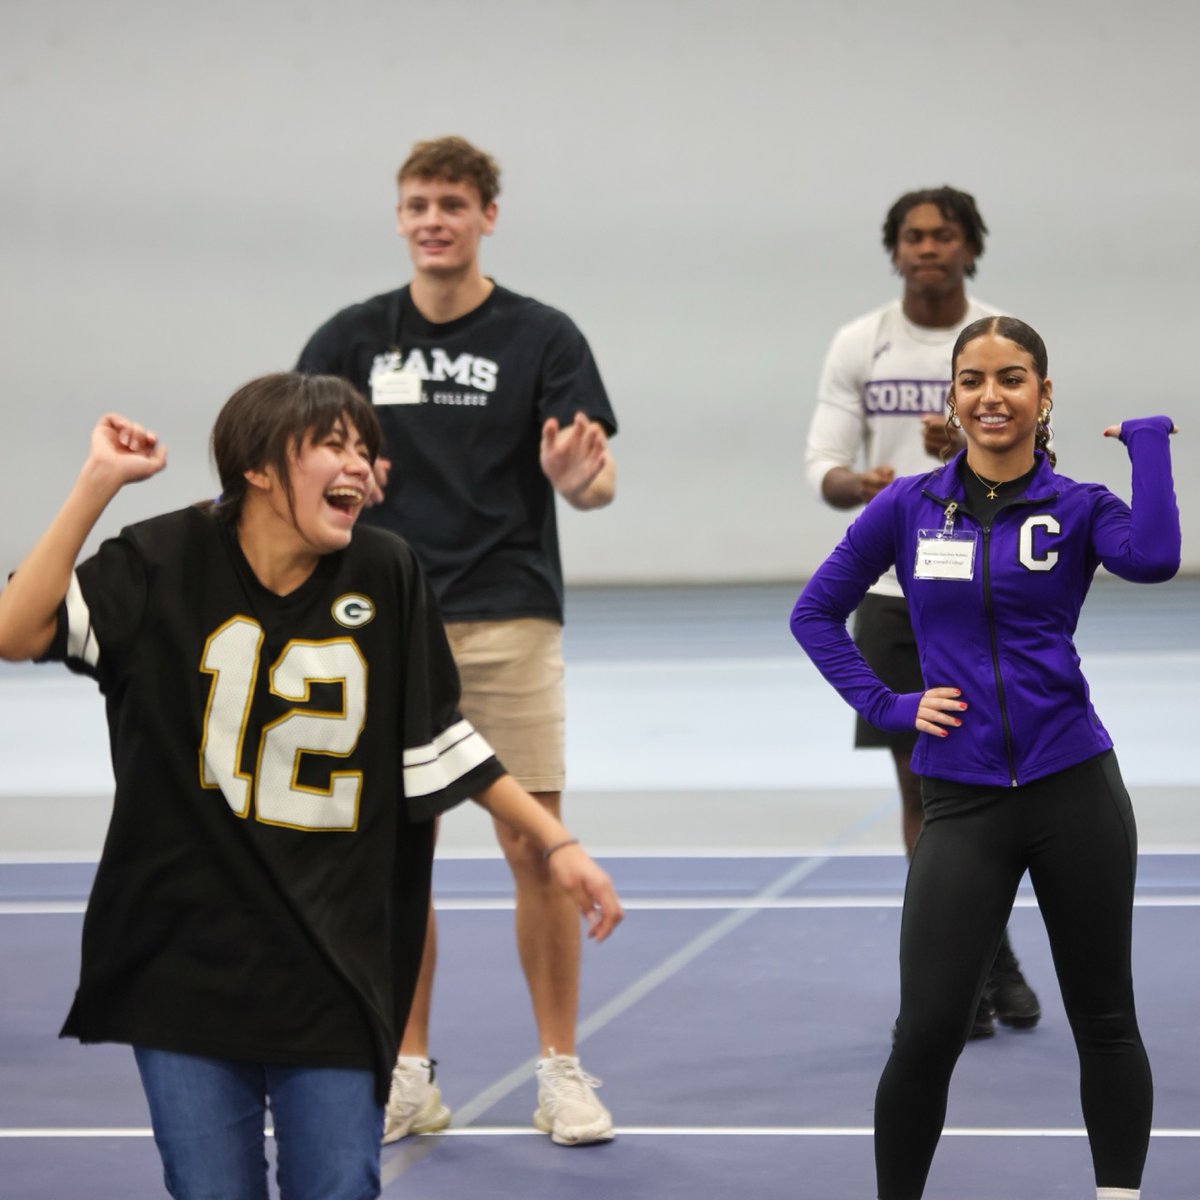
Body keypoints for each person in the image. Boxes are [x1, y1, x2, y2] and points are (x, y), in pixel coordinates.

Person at [0, 373, 623, 1200]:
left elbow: (437, 738)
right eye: (334, 445)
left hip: (335, 963)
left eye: (365, 449)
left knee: (338, 1187)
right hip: (182, 961)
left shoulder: (386, 570)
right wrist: (98, 484)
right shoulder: (162, 559)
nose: (360, 467)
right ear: (259, 467)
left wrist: (559, 844)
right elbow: (17, 630)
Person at [791, 315, 1179, 1200]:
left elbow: (1156, 559)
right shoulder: (908, 507)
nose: (990, 396)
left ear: (1043, 397)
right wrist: (888, 705)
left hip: (1073, 788)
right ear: (953, 398)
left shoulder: (1079, 507)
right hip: (961, 804)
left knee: (1105, 1021)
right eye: (972, 380)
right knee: (925, 1031)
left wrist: (1150, 449)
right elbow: (815, 614)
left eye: (1011, 379)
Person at [296, 136, 619, 1147]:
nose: (433, 218)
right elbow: (295, 468)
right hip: (378, 622)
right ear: (399, 218)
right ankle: (407, 1071)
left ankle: (560, 1070)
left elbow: (597, 479)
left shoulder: (541, 335)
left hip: (506, 610)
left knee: (533, 844)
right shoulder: (351, 338)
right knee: (397, 857)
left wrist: (576, 481)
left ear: (486, 216)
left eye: (452, 203)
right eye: (417, 203)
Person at [805, 186, 1039, 1038]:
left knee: (1003, 784)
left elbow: (1042, 453)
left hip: (995, 592)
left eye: (944, 235)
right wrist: (865, 486)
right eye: (913, 236)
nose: (928, 248)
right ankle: (981, 967)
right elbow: (824, 466)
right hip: (899, 600)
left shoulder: (1001, 340)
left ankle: (988, 960)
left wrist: (981, 443)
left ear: (970, 248)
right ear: (895, 250)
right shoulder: (860, 344)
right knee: (930, 789)